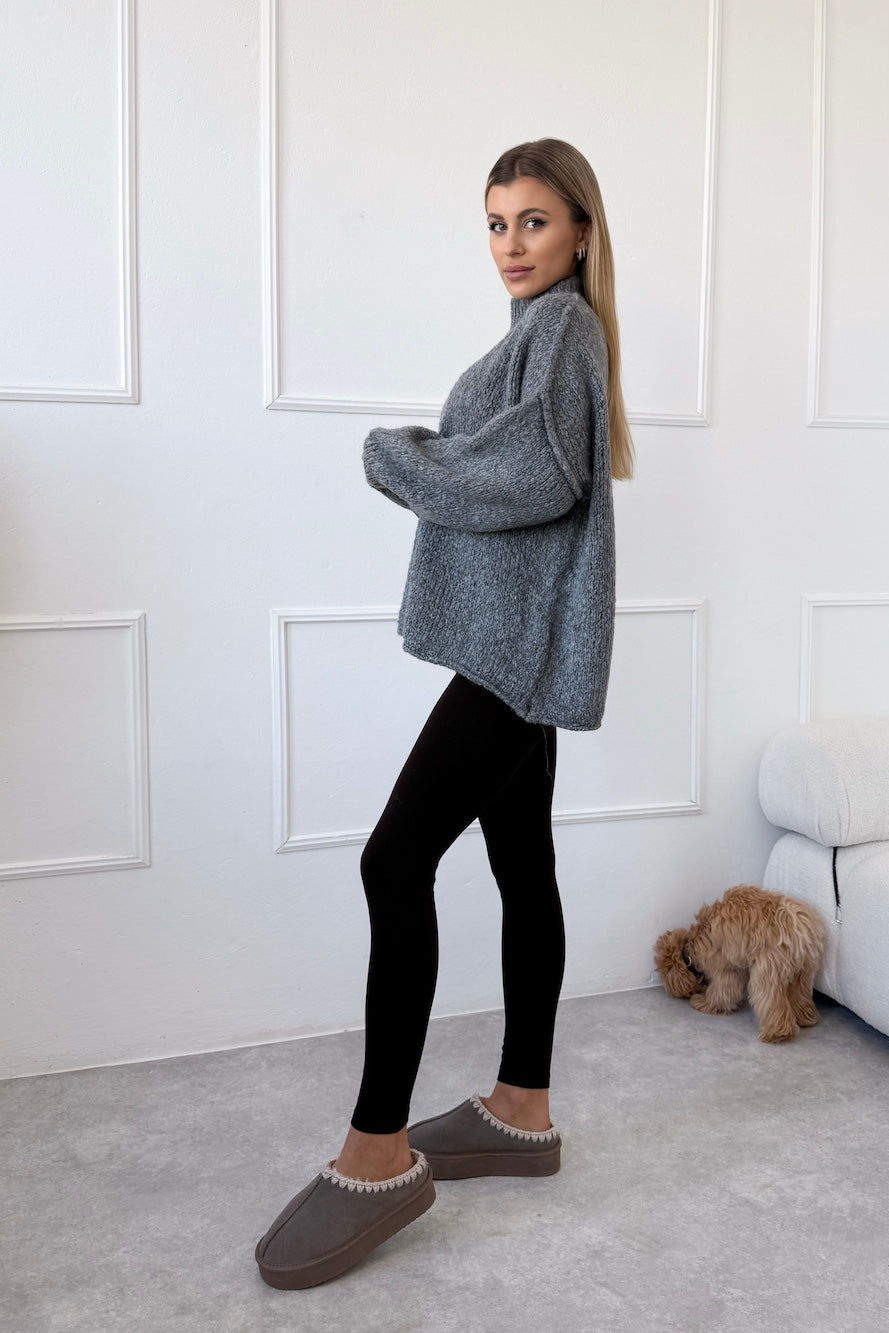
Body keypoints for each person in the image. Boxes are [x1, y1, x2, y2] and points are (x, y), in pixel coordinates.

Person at [255, 137, 634, 1290]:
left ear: (580, 230)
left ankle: (377, 1152)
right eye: (496, 223)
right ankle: (522, 1107)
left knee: (392, 860)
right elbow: (534, 465)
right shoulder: (544, 332)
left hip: (512, 655)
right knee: (523, 862)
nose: (510, 244)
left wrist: (400, 455)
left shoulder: (561, 328)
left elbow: (536, 475)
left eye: (533, 221)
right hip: (521, 641)